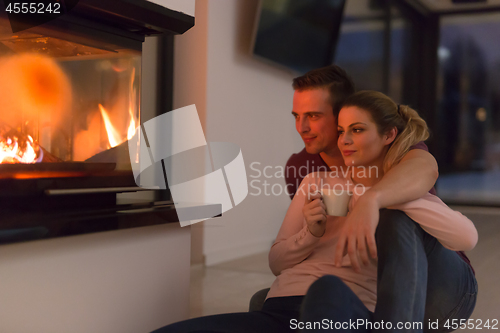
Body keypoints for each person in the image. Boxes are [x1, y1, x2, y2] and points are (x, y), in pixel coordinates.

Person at [150, 91, 477, 333]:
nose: (345, 140)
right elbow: (277, 262)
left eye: (358, 130)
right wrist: (311, 233)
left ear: (389, 135)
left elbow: (466, 236)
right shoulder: (315, 181)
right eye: (341, 131)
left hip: (345, 311)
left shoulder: (402, 193)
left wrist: (371, 199)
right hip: (279, 313)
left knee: (328, 288)